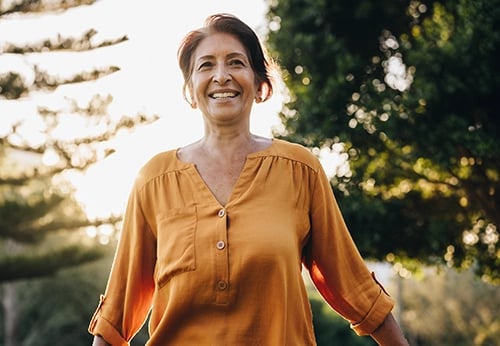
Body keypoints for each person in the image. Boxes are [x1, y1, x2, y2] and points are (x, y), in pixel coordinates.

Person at [89, 13, 409, 346]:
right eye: (206, 65)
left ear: (260, 85)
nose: (222, 76)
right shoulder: (154, 180)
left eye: (236, 63)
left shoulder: (300, 170)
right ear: (189, 90)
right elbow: (116, 315)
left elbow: (355, 288)